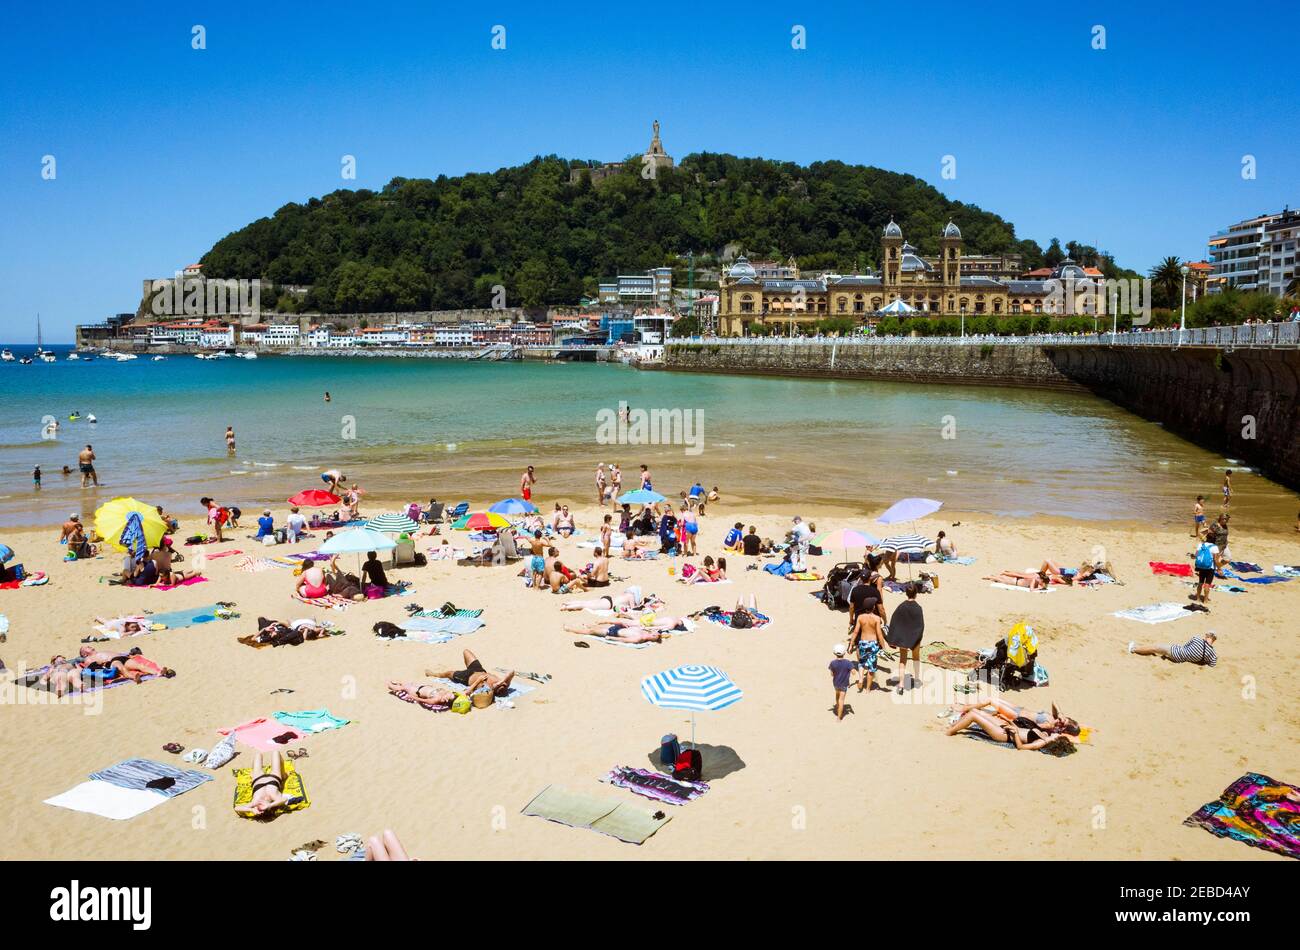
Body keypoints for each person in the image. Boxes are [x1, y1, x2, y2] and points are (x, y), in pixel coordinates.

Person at [944, 707, 1076, 752]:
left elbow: (1020, 747)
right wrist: (1010, 723)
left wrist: (1016, 733)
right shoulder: (1045, 735)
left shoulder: (1041, 742)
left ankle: (949, 732)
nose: (1057, 735)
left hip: (1003, 735)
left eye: (1058, 737)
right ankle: (952, 727)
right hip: (1009, 728)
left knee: (973, 716)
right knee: (974, 711)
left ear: (1056, 742)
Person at [886, 583, 925, 695]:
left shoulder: (901, 606)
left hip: (903, 637)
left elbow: (894, 621)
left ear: (906, 593)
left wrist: (894, 637)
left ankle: (901, 685)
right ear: (916, 594)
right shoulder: (918, 608)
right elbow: (921, 625)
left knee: (903, 660)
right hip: (915, 637)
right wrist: (917, 637)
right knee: (916, 658)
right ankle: (917, 680)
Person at [424, 649, 515, 695]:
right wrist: (503, 681)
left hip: (466, 677)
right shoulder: (505, 683)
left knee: (448, 674)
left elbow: (467, 692)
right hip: (478, 669)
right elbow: (512, 672)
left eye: (497, 686)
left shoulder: (487, 690)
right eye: (501, 684)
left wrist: (478, 681)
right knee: (466, 651)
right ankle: (467, 667)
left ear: (494, 689)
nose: (497, 684)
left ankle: (432, 674)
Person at [235, 750, 292, 817]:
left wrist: (251, 810)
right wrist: (270, 805)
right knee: (276, 752)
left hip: (258, 778)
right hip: (274, 778)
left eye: (259, 809)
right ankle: (283, 774)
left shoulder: (255, 801)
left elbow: (236, 808)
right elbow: (284, 799)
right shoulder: (274, 797)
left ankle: (253, 772)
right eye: (263, 809)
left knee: (258, 754)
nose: (260, 807)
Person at [78, 645, 173, 682]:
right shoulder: (88, 659)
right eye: (86, 647)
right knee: (121, 668)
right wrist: (102, 665)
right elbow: (92, 669)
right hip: (111, 662)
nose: (89, 646)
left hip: (122, 658)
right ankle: (134, 678)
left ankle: (159, 672)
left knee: (140, 665)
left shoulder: (101, 651)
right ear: (84, 653)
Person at [846, 609, 887, 693]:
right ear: (873, 608)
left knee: (861, 663)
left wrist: (851, 644)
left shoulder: (860, 617)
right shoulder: (877, 618)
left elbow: (856, 631)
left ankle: (861, 679)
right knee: (871, 667)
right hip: (873, 644)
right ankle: (868, 689)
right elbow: (879, 634)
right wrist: (883, 647)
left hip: (863, 643)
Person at [1129, 632, 1218, 667]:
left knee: (1155, 648)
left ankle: (1134, 649)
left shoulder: (1197, 639)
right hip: (1180, 660)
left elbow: (1185, 646)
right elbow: (1212, 664)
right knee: (1159, 650)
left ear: (1207, 636)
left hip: (1175, 652)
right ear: (1213, 640)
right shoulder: (1212, 653)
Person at [829, 644, 856, 721]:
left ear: (834, 653)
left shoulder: (832, 663)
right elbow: (853, 672)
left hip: (836, 683)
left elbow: (831, 674)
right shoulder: (848, 663)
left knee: (837, 696)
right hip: (844, 684)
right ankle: (839, 718)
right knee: (842, 700)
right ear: (844, 653)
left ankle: (837, 707)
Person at [1193, 536, 1219, 607]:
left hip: (1201, 566)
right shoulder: (1214, 547)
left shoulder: (1201, 545)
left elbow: (1196, 555)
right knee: (1207, 584)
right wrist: (1219, 568)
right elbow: (1216, 560)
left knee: (1200, 582)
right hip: (1210, 567)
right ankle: (1205, 600)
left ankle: (1198, 598)